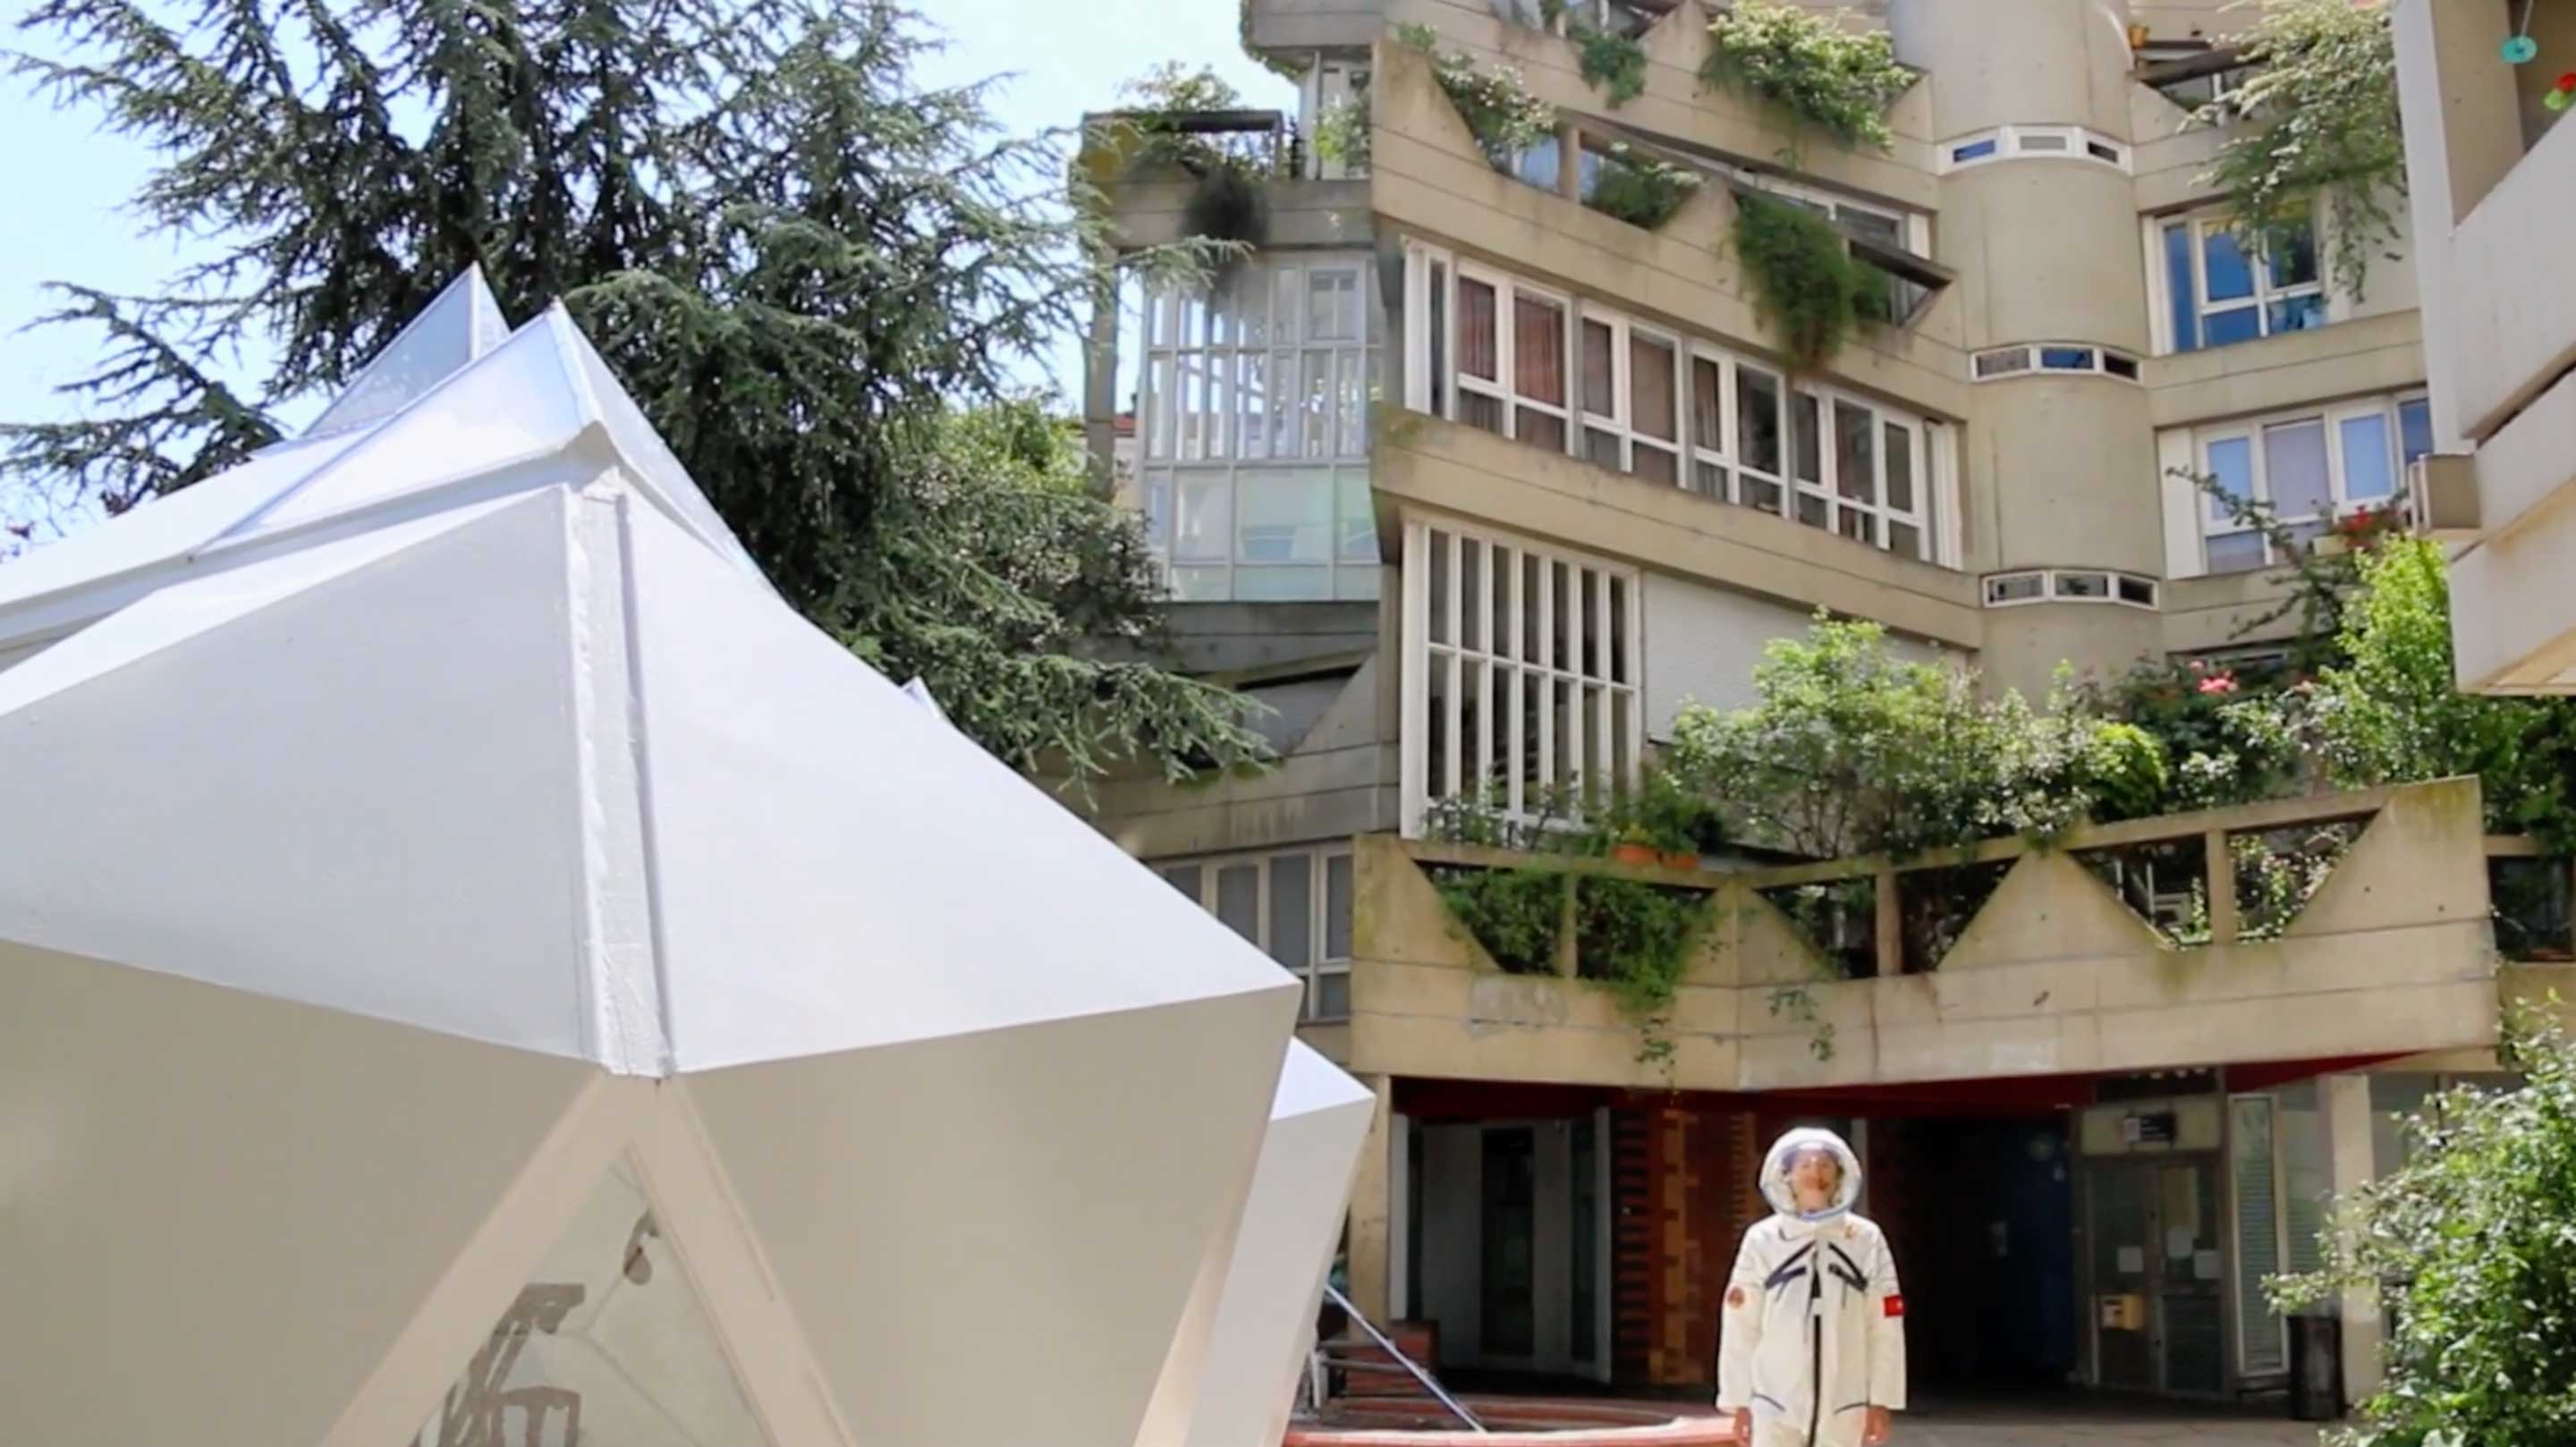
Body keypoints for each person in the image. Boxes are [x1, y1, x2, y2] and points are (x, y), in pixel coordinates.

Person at [1716, 1128, 1904, 1447]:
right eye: (1804, 1166)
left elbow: (1885, 1325)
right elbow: (1740, 1325)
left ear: (1841, 1175)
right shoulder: (1763, 1240)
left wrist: (1881, 1399)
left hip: (1846, 1405)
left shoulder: (1865, 1239)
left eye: (1825, 1166)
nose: (1815, 1174)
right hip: (1775, 1404)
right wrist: (1739, 1402)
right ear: (1786, 1175)